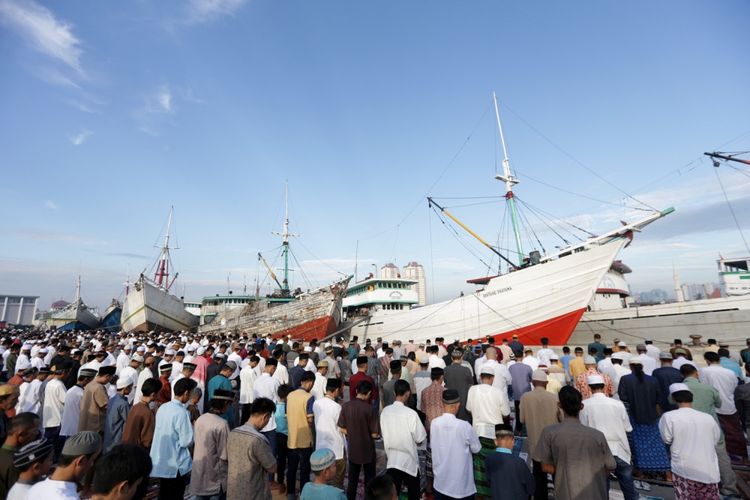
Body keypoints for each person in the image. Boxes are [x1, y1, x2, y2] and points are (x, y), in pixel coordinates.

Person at [533, 386, 616, 500]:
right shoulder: (597, 435)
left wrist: (565, 471)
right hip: (596, 493)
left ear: (559, 405)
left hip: (566, 493)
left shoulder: (550, 433)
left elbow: (545, 467)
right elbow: (610, 466)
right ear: (581, 406)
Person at [682, 364, 741, 498]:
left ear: (682, 375)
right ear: (696, 373)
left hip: (689, 430)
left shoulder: (679, 389)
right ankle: (729, 488)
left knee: (695, 458)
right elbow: (718, 404)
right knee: (722, 457)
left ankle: (701, 488)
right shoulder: (708, 388)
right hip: (712, 427)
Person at [659, 383, 721, 500]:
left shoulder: (669, 416)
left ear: (673, 398)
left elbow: (667, 439)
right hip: (708, 469)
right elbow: (715, 439)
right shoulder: (707, 417)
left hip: (684, 468)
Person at [579, 375, 637, 500]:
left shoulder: (584, 405)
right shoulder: (617, 404)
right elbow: (628, 428)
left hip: (597, 452)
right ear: (604, 387)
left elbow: (583, 429)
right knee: (628, 486)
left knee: (602, 487)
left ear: (589, 388)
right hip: (620, 450)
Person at [617, 358, 670, 480]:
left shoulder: (625, 379)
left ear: (630, 366)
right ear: (642, 366)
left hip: (634, 416)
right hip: (652, 417)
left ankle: (640, 472)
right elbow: (658, 398)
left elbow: (623, 396)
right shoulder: (652, 379)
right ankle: (667, 474)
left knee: (638, 444)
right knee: (657, 444)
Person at [150, 377, 197, 500]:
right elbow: (186, 441)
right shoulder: (182, 412)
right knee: (175, 495)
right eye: (191, 393)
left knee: (164, 493)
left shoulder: (163, 408)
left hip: (162, 460)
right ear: (186, 393)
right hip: (176, 464)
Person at [430, 389, 481, 500]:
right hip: (461, 488)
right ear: (457, 405)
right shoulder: (465, 426)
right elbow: (476, 449)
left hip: (440, 484)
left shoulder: (434, 423)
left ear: (443, 404)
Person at [380, 379, 426, 500]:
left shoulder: (385, 411)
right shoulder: (411, 414)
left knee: (393, 495)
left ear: (395, 393)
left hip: (392, 460)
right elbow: (420, 438)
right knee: (413, 494)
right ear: (407, 393)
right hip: (409, 461)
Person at [227, 397, 278, 500]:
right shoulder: (258, 440)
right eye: (268, 419)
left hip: (233, 491)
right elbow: (272, 467)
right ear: (265, 416)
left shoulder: (233, 433)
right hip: (253, 493)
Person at [520, 370, 559, 500]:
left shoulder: (525, 397)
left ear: (532, 382)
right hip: (553, 443)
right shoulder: (554, 398)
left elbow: (522, 419)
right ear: (546, 383)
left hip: (536, 443)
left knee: (538, 476)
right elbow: (562, 419)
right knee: (556, 475)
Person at [27, 430, 102, 499]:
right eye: (92, 460)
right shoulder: (67, 497)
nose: (92, 465)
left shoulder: (36, 488)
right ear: (80, 461)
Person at [701, 351, 747, 459]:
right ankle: (741, 454)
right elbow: (734, 386)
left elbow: (705, 388)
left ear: (707, 360)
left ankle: (726, 454)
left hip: (714, 407)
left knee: (719, 432)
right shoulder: (729, 372)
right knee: (735, 430)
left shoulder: (704, 371)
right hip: (730, 405)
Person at [338, 379, 380, 500]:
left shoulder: (345, 406)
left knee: (352, 479)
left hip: (353, 449)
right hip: (367, 450)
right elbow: (375, 434)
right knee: (370, 478)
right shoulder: (370, 409)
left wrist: (353, 434)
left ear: (356, 391)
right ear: (368, 394)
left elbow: (341, 428)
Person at [190, 389, 232, 500]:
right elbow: (225, 454)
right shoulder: (222, 424)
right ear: (225, 404)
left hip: (199, 472)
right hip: (215, 477)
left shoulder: (200, 419)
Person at [485, 424, 535, 500]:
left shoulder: (489, 458)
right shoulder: (519, 462)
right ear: (513, 441)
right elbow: (531, 488)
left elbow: (489, 481)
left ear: (495, 441)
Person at [287, 370, 316, 497]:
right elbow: (310, 419)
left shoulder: (290, 395)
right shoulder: (309, 397)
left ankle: (290, 493)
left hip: (292, 438)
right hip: (305, 439)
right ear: (310, 382)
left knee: (292, 469)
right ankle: (304, 494)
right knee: (305, 470)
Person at [312, 379, 345, 489]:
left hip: (321, 447)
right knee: (337, 482)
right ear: (336, 390)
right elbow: (341, 428)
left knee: (322, 481)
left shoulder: (316, 404)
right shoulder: (337, 407)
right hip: (336, 449)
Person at [0, 412, 40, 498]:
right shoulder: (16, 462)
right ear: (21, 434)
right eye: (35, 431)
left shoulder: (4, 453)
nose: (37, 435)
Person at [122, 378, 160, 450]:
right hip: (137, 452)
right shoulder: (147, 413)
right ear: (153, 394)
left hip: (126, 447)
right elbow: (147, 440)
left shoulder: (135, 407)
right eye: (159, 393)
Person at [41, 361, 69, 456]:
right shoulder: (59, 385)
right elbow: (66, 400)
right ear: (63, 373)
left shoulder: (49, 383)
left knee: (49, 444)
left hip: (50, 419)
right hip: (57, 420)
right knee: (56, 446)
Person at [79, 365, 115, 434]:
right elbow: (106, 405)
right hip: (95, 425)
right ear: (107, 376)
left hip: (85, 423)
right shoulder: (99, 387)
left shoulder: (89, 384)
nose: (110, 380)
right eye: (111, 377)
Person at [443, 349, 473, 422]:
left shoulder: (446, 369)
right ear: (462, 357)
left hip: (450, 400)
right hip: (464, 399)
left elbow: (445, 382)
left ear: (451, 358)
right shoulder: (466, 370)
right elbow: (471, 384)